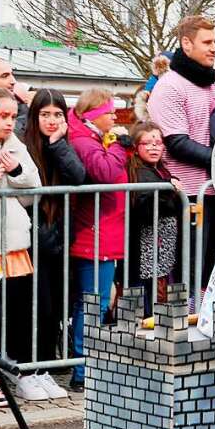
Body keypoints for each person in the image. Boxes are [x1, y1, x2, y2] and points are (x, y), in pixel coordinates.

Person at [0, 87, 47, 401]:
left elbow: (33, 191)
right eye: (3, 116)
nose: (9, 123)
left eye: (14, 116)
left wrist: (15, 171)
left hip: (13, 237)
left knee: (6, 312)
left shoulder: (15, 144)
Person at [147, 15, 215, 271]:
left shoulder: (213, 83)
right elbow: (177, 143)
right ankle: (186, 312)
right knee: (186, 270)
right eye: (207, 42)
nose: (214, 48)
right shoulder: (170, 86)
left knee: (210, 268)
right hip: (185, 193)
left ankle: (203, 312)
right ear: (186, 44)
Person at [22, 88, 85, 392]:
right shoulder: (24, 144)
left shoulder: (62, 145)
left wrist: (58, 144)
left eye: (57, 114)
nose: (51, 120)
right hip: (32, 237)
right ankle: (28, 369)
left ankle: (45, 367)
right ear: (34, 116)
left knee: (54, 307)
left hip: (60, 238)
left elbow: (77, 176)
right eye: (44, 114)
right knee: (36, 306)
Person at [66, 88, 129, 391]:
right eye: (109, 111)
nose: (115, 116)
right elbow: (105, 172)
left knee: (93, 302)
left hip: (105, 233)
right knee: (94, 303)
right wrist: (118, 147)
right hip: (95, 235)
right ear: (93, 114)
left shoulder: (90, 139)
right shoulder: (83, 141)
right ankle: (83, 369)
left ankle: (86, 366)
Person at [126, 122, 181, 313]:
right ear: (136, 146)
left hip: (160, 241)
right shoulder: (140, 172)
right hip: (146, 241)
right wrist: (168, 190)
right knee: (141, 286)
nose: (153, 147)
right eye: (147, 143)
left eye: (157, 143)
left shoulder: (160, 169)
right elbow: (147, 205)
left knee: (153, 284)